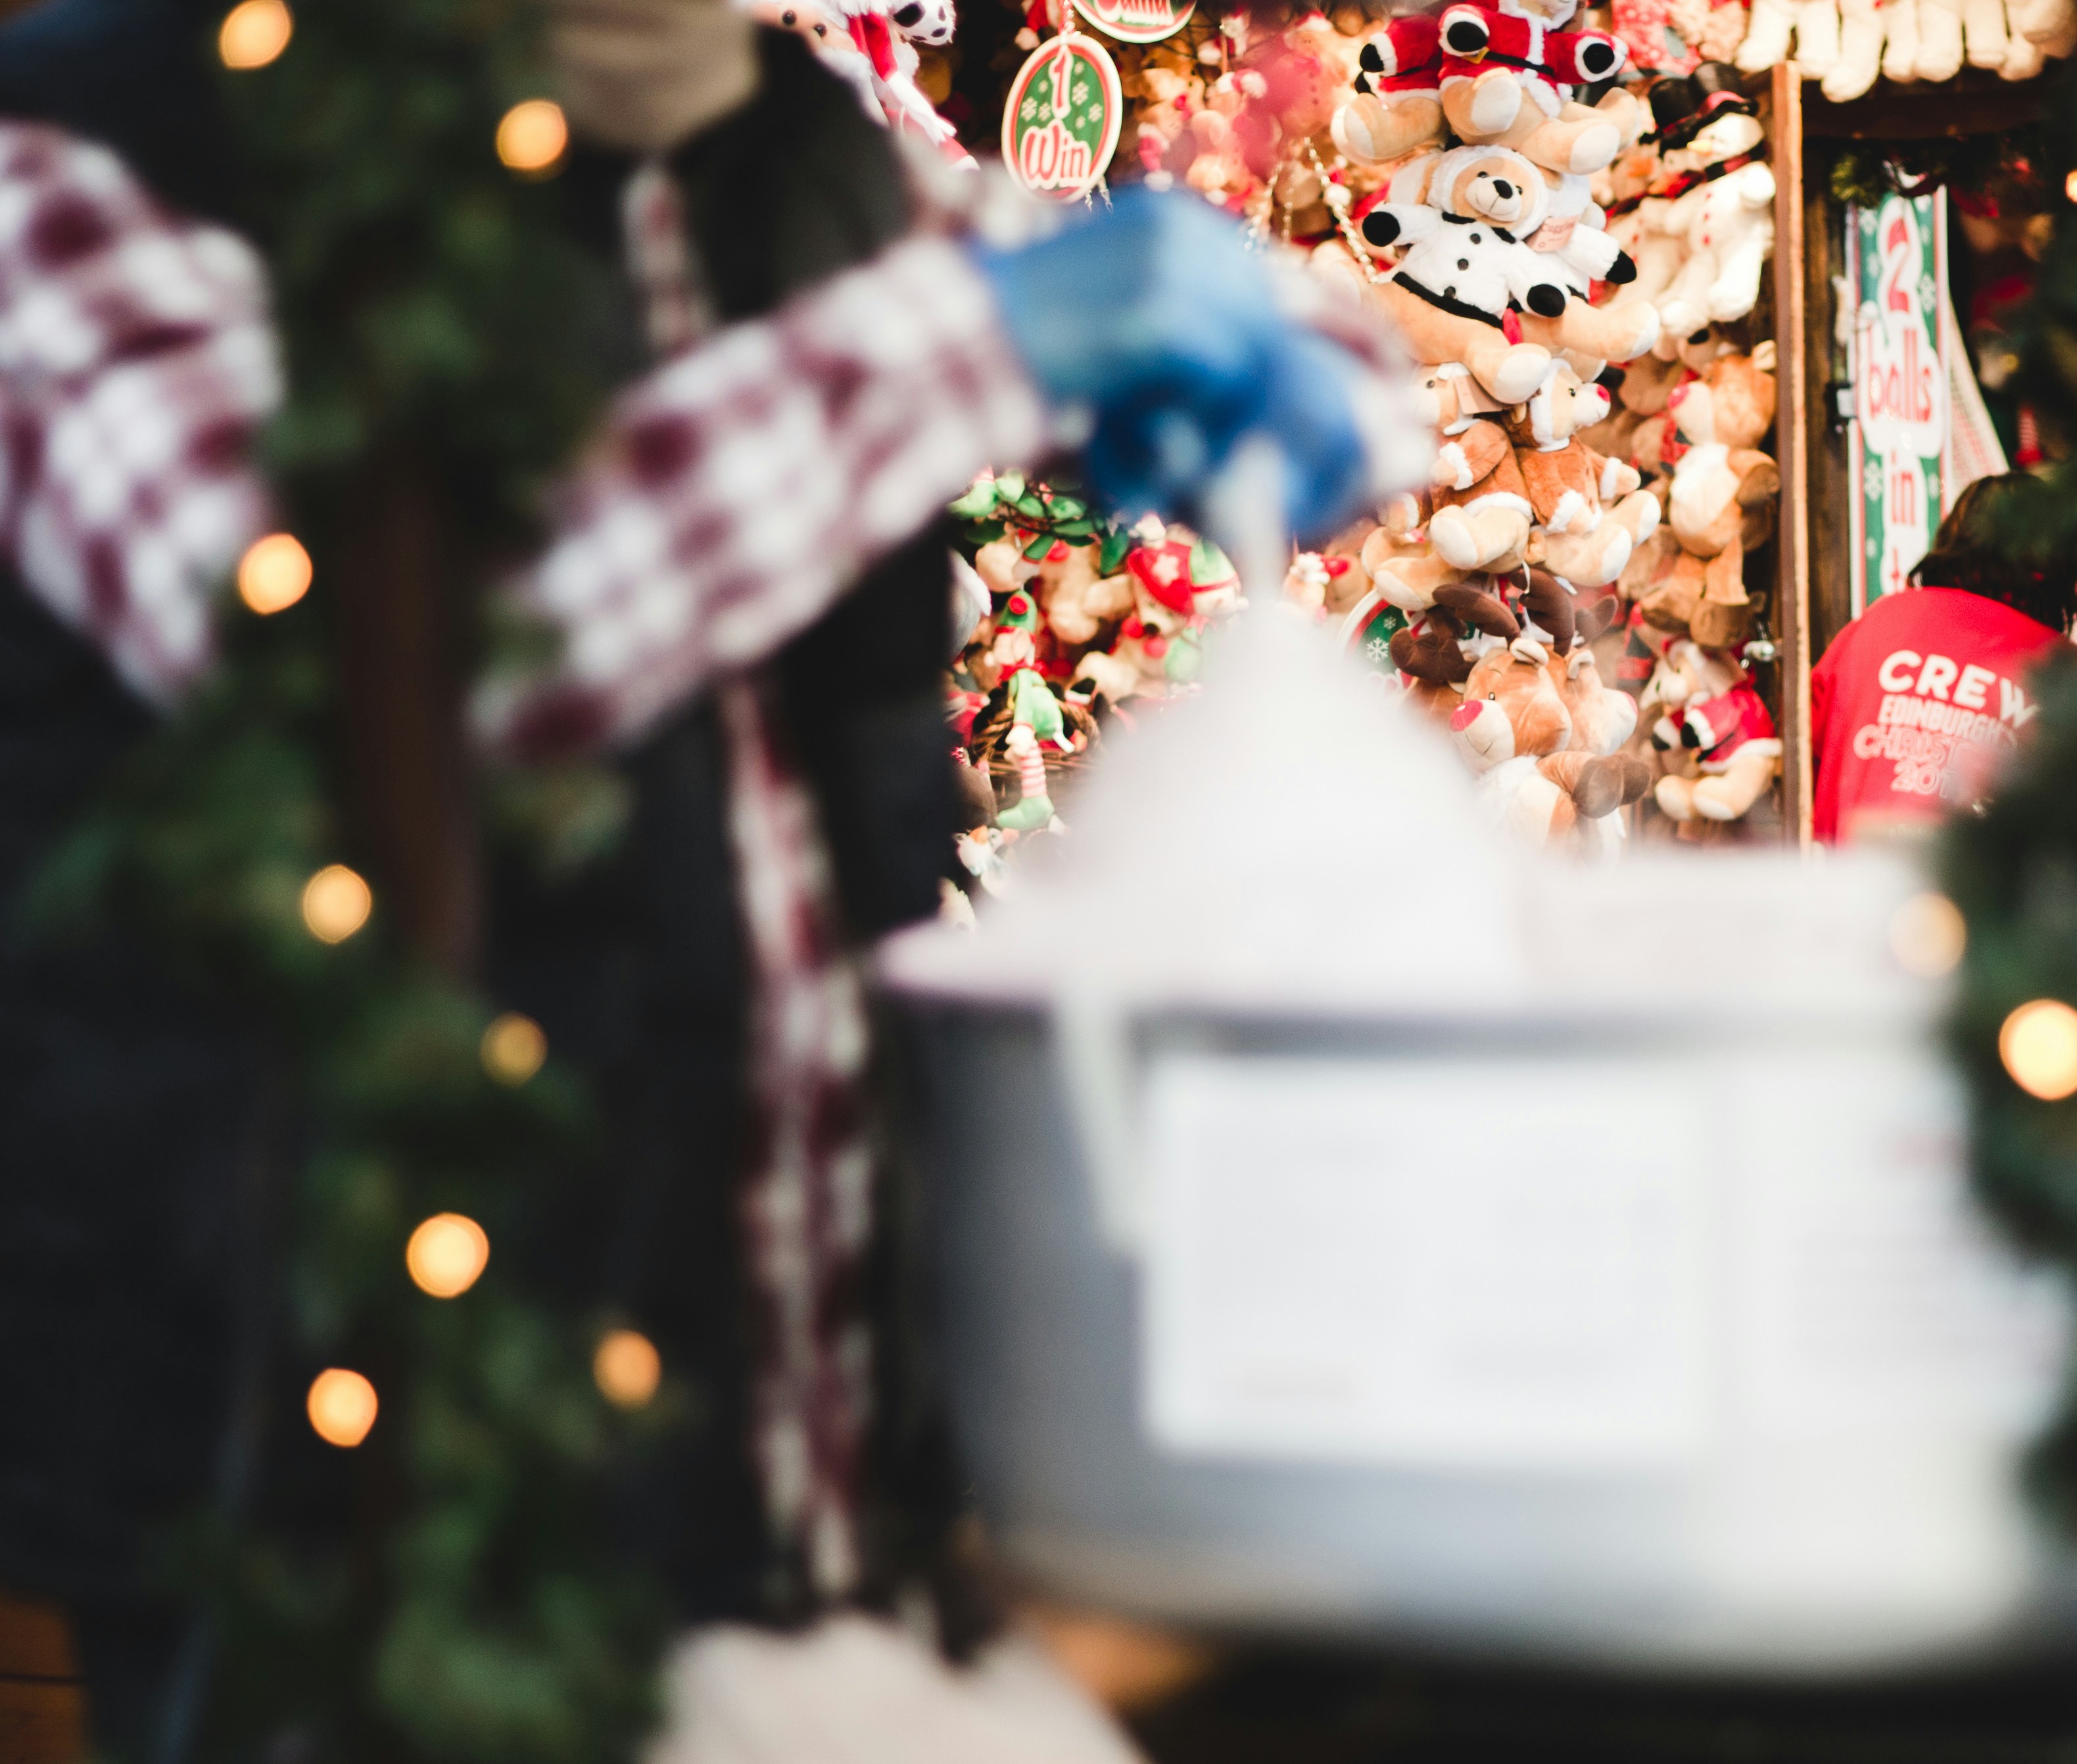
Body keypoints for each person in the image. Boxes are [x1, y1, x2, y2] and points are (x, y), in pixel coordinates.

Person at [0, 0, 1412, 1749]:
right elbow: (395, 662)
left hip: (807, 1503)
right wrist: (985, 337)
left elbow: (1158, 285)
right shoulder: (87, 161)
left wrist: (1282, 355)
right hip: (341, 1528)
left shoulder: (792, 145)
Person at [1809, 473, 2077, 844]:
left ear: (1954, 538)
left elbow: (1800, 745)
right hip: (1977, 897)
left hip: (1846, 886)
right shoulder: (2070, 673)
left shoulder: (1883, 620)